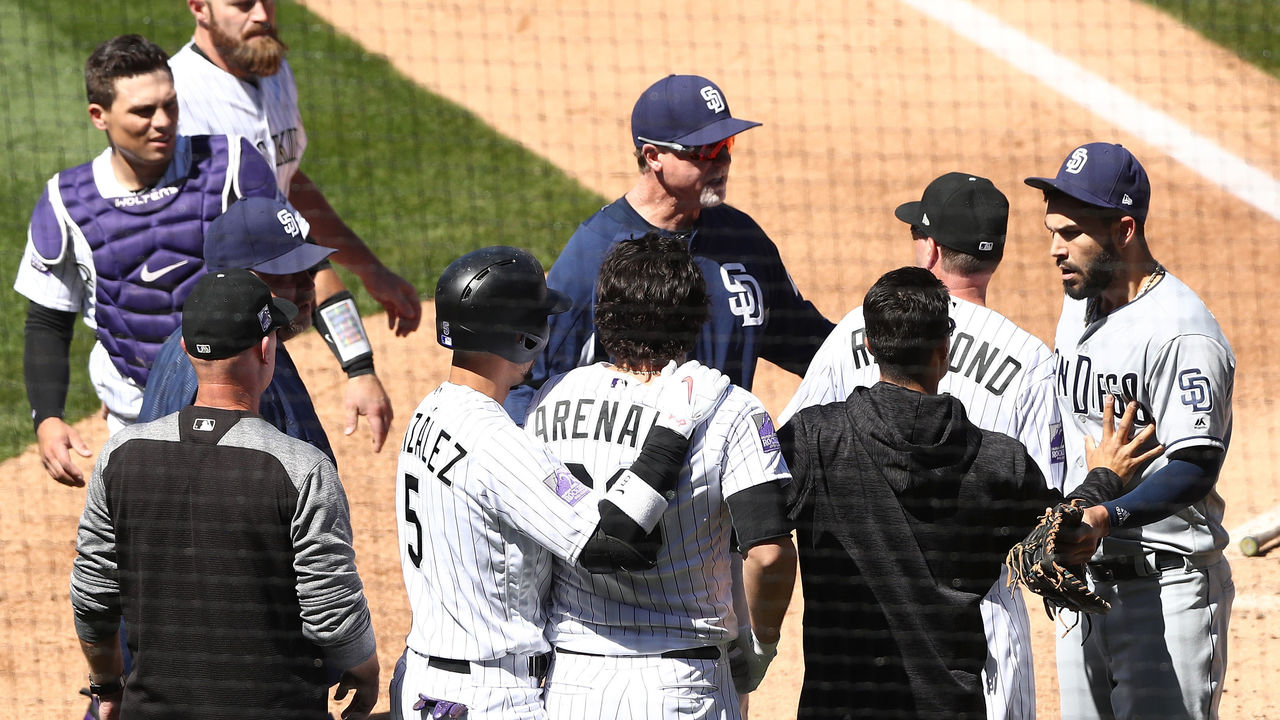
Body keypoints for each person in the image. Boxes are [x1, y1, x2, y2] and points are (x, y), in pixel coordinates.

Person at [780, 267, 1159, 720]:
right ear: (946, 349)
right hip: (951, 705)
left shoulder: (813, 440)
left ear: (868, 346)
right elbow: (1063, 533)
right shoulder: (999, 464)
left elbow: (750, 514)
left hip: (838, 706)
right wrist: (1105, 477)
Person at [390, 245, 731, 719]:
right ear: (523, 336)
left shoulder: (427, 412)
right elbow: (612, 543)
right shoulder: (495, 441)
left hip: (429, 678)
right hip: (490, 697)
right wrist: (672, 427)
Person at [778, 172, 1064, 720]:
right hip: (988, 626)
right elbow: (1047, 519)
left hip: (865, 621)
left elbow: (776, 458)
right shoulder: (1031, 361)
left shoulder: (862, 328)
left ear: (930, 249)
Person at [70, 269, 379, 720]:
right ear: (266, 347)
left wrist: (107, 684)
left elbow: (92, 595)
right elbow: (331, 609)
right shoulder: (301, 468)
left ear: (185, 350)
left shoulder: (119, 455)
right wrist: (365, 672)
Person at [525, 234, 797, 719]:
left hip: (572, 682)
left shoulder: (550, 399)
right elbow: (769, 554)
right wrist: (762, 646)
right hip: (684, 685)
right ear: (697, 317)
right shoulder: (729, 409)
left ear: (603, 316)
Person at [1025, 142, 1236, 720]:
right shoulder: (1079, 302)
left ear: (1123, 229)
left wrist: (1104, 516)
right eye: (1052, 231)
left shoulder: (1181, 333)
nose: (1054, 249)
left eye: (1070, 233)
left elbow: (1195, 465)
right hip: (1081, 585)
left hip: (1164, 593)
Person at [17, 34, 278, 487]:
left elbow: (300, 271)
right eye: (143, 111)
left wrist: (357, 367)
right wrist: (47, 418)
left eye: (170, 105)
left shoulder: (231, 166)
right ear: (99, 116)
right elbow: (47, 321)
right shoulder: (66, 203)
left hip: (243, 411)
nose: (163, 122)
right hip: (136, 420)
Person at [504, 73, 834, 421]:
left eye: (727, 144)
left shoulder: (743, 239)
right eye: (705, 150)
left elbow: (811, 344)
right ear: (653, 156)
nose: (722, 161)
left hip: (724, 464)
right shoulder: (594, 254)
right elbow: (527, 384)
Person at [170, 0, 422, 337]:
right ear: (200, 7)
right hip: (207, 326)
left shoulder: (276, 72)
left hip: (261, 315)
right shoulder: (176, 99)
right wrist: (359, 368)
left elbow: (288, 183)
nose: (261, 15)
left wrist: (370, 269)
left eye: (267, 1)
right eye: (243, 4)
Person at [140, 195, 351, 459]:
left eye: (308, 270)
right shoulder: (242, 364)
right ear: (237, 280)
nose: (309, 286)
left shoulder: (185, 341)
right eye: (287, 274)